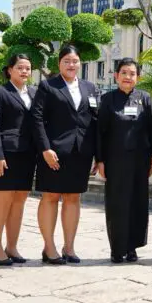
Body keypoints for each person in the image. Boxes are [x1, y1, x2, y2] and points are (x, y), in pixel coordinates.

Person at [30, 45, 99, 265]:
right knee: (50, 196)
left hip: (81, 153)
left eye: (75, 61)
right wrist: (45, 148)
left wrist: (98, 154)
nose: (71, 65)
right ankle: (49, 247)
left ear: (80, 63)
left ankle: (69, 247)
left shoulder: (90, 88)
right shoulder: (48, 86)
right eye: (67, 61)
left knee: (73, 198)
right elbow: (37, 119)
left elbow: (96, 122)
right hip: (54, 152)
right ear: (59, 63)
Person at [97, 58, 152, 264]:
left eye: (132, 74)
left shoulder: (145, 99)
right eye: (124, 73)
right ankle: (117, 249)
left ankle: (132, 247)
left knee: (138, 204)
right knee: (117, 205)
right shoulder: (107, 99)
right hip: (115, 161)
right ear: (116, 76)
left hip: (140, 161)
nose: (128, 77)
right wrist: (100, 160)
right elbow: (100, 132)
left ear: (138, 77)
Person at [0, 53, 37, 266]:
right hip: (5, 155)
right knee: (3, 201)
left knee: (19, 201)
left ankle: (12, 247)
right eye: (20, 68)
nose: (24, 71)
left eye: (27, 68)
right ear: (9, 70)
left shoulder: (33, 93)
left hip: (27, 154)